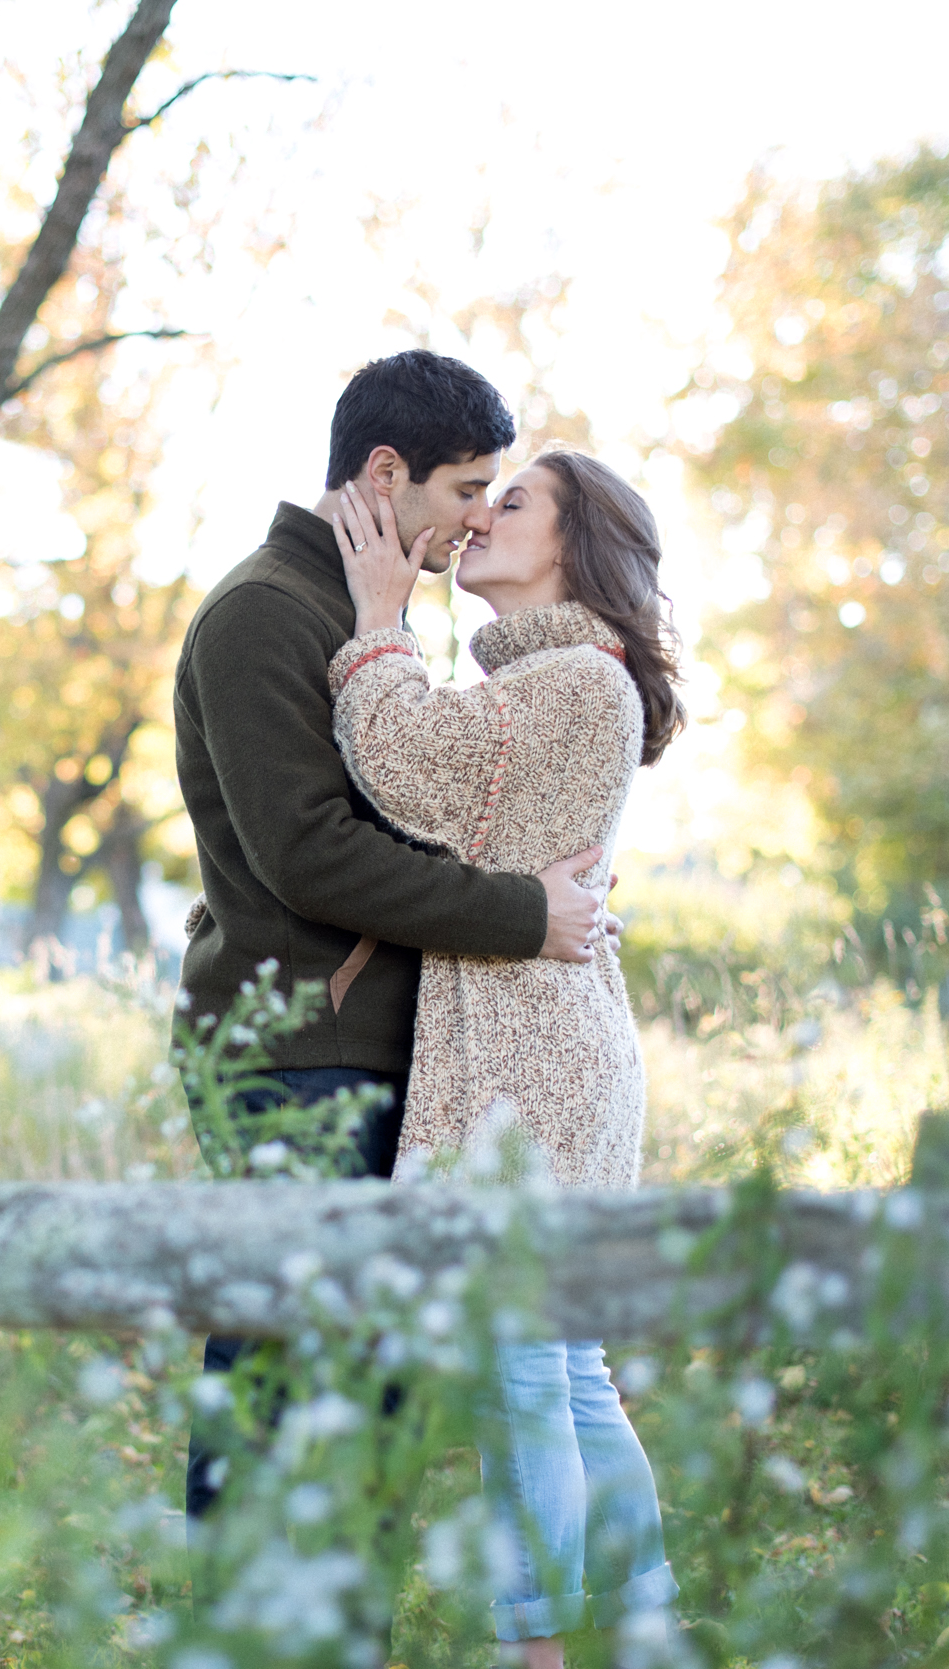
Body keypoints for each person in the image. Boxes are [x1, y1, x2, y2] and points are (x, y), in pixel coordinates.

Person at [170, 349, 619, 1535]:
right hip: (298, 1063)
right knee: (278, 1409)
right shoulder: (268, 611)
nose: (478, 518)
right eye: (468, 489)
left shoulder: (365, 614)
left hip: (375, 1058)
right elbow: (310, 853)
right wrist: (528, 913)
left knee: (365, 1422)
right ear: (387, 471)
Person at [326, 445, 684, 1664]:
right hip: (549, 1052)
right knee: (565, 1372)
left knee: (524, 1375)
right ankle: (639, 1634)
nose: (481, 517)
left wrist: (377, 621)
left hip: (528, 1069)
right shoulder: (567, 681)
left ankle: (541, 1650)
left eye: (512, 502)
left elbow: (408, 774)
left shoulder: (581, 678)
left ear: (575, 549)